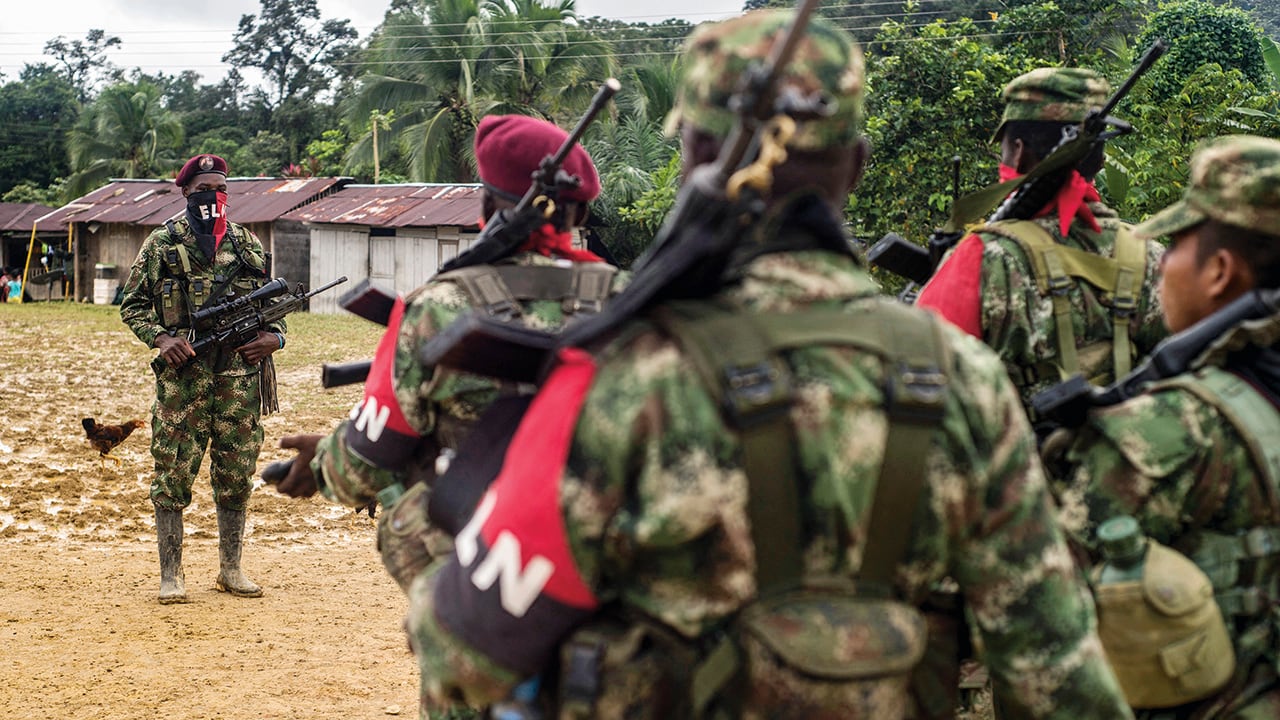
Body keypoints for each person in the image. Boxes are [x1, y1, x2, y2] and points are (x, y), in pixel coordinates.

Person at [401, 12, 1132, 719]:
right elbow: (1057, 673)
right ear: (857, 164)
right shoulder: (967, 379)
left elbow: (468, 655)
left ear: (691, 158)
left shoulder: (626, 373)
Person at [273, 115, 621, 594]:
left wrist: (322, 465)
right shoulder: (630, 301)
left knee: (402, 490)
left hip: (487, 564)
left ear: (484, 204)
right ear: (579, 215)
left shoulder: (440, 306)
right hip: (606, 550)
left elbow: (362, 468)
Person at [1052, 134, 1280, 718]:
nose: (1162, 265)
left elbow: (1043, 605)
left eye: (1177, 245)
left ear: (1219, 271)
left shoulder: (1169, 429)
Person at [915, 67, 1167, 421]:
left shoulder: (982, 257)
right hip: (1130, 464)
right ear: (1101, 158)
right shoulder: (1152, 256)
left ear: (1017, 152)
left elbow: (920, 381)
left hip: (1015, 469)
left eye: (1003, 148)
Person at [120, 153, 285, 604]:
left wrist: (275, 339)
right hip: (183, 380)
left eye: (219, 189)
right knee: (172, 472)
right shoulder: (161, 244)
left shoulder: (247, 244)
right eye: (202, 190)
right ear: (186, 192)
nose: (212, 197)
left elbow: (273, 309)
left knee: (237, 471)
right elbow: (131, 304)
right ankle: (171, 575)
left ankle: (231, 570)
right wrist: (160, 338)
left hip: (240, 380)